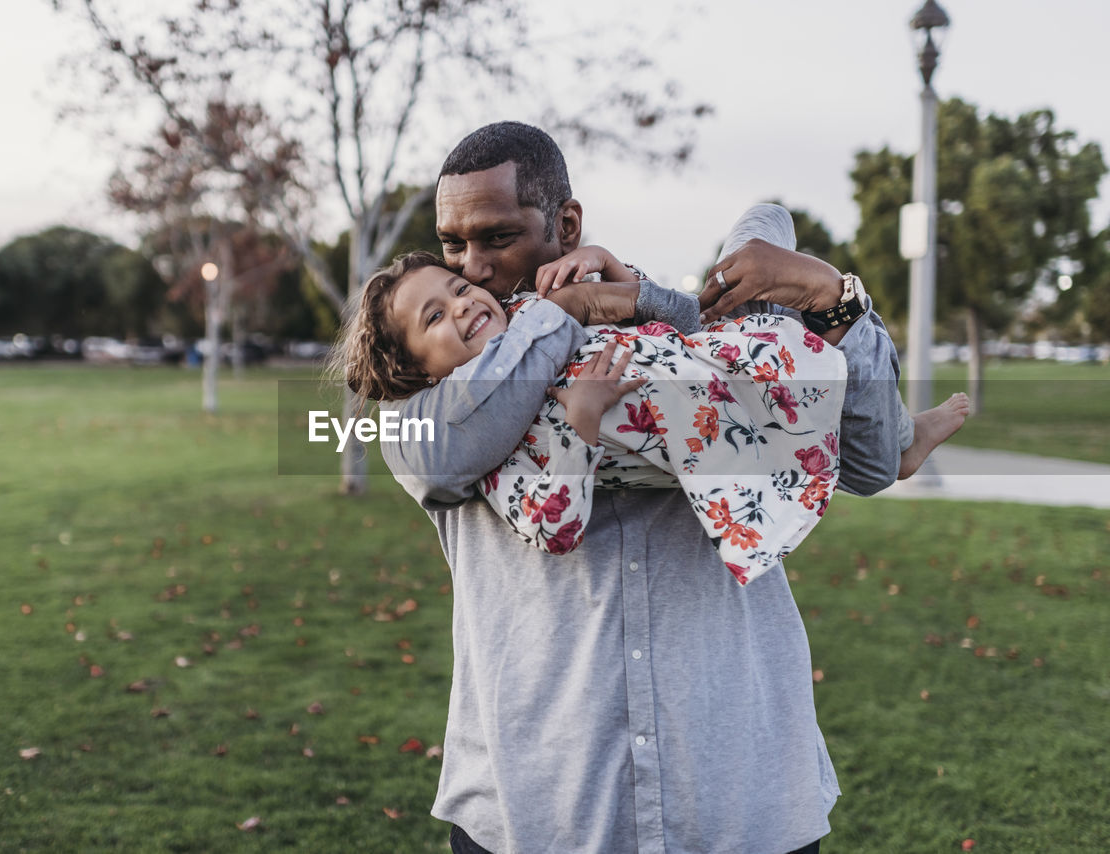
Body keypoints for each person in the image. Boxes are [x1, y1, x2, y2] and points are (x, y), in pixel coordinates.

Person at [376, 120, 920, 854]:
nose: (470, 270)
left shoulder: (660, 337)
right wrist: (565, 314)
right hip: (540, 811)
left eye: (495, 238)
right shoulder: (420, 398)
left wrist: (832, 299)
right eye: (451, 245)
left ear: (566, 224)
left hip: (739, 798)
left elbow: (867, 459)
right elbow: (445, 453)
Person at [337, 249, 850, 586]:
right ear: (418, 372)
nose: (462, 305)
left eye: (458, 289)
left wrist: (607, 265)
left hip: (738, 358)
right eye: (433, 317)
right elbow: (553, 528)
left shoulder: (528, 314)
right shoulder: (483, 433)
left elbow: (660, 312)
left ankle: (898, 422)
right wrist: (580, 426)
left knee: (774, 245)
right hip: (750, 424)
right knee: (845, 402)